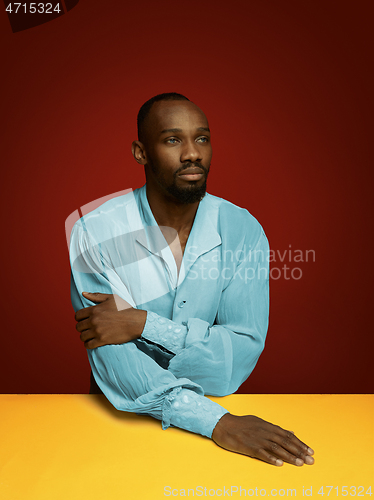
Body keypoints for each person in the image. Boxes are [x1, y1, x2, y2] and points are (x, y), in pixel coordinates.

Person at [69, 92, 314, 467]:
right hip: (116, 426)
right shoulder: (95, 231)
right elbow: (118, 366)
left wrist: (143, 324)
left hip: (206, 449)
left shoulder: (243, 230)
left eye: (202, 138)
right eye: (172, 140)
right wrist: (217, 422)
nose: (192, 154)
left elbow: (235, 362)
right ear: (141, 152)